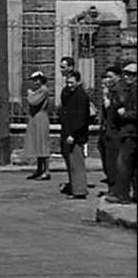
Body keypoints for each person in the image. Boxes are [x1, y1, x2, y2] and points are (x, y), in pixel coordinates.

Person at [105, 61, 137, 205]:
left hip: (131, 133)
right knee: (132, 166)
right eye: (126, 74)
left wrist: (124, 114)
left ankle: (122, 195)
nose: (127, 77)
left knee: (123, 164)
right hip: (129, 132)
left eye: (131, 75)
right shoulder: (129, 90)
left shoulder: (135, 90)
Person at [58, 71, 90, 200]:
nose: (69, 85)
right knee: (71, 163)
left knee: (76, 163)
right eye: (67, 82)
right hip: (67, 132)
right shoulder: (69, 94)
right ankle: (75, 187)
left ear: (78, 82)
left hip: (75, 135)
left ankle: (79, 190)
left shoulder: (81, 96)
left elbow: (81, 118)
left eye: (72, 82)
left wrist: (73, 134)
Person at [98, 66, 122, 196]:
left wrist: (108, 100)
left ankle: (115, 190)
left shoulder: (118, 91)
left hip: (114, 132)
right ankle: (112, 188)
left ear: (118, 77)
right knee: (108, 161)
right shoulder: (110, 91)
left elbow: (116, 111)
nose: (108, 79)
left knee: (113, 162)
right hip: (106, 131)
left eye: (110, 76)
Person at [24, 71, 51, 181]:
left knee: (43, 144)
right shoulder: (38, 91)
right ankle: (39, 169)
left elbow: (33, 102)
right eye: (33, 80)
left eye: (37, 79)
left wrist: (30, 94)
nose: (35, 82)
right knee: (37, 145)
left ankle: (46, 171)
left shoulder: (43, 90)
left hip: (41, 118)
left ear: (41, 80)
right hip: (35, 118)